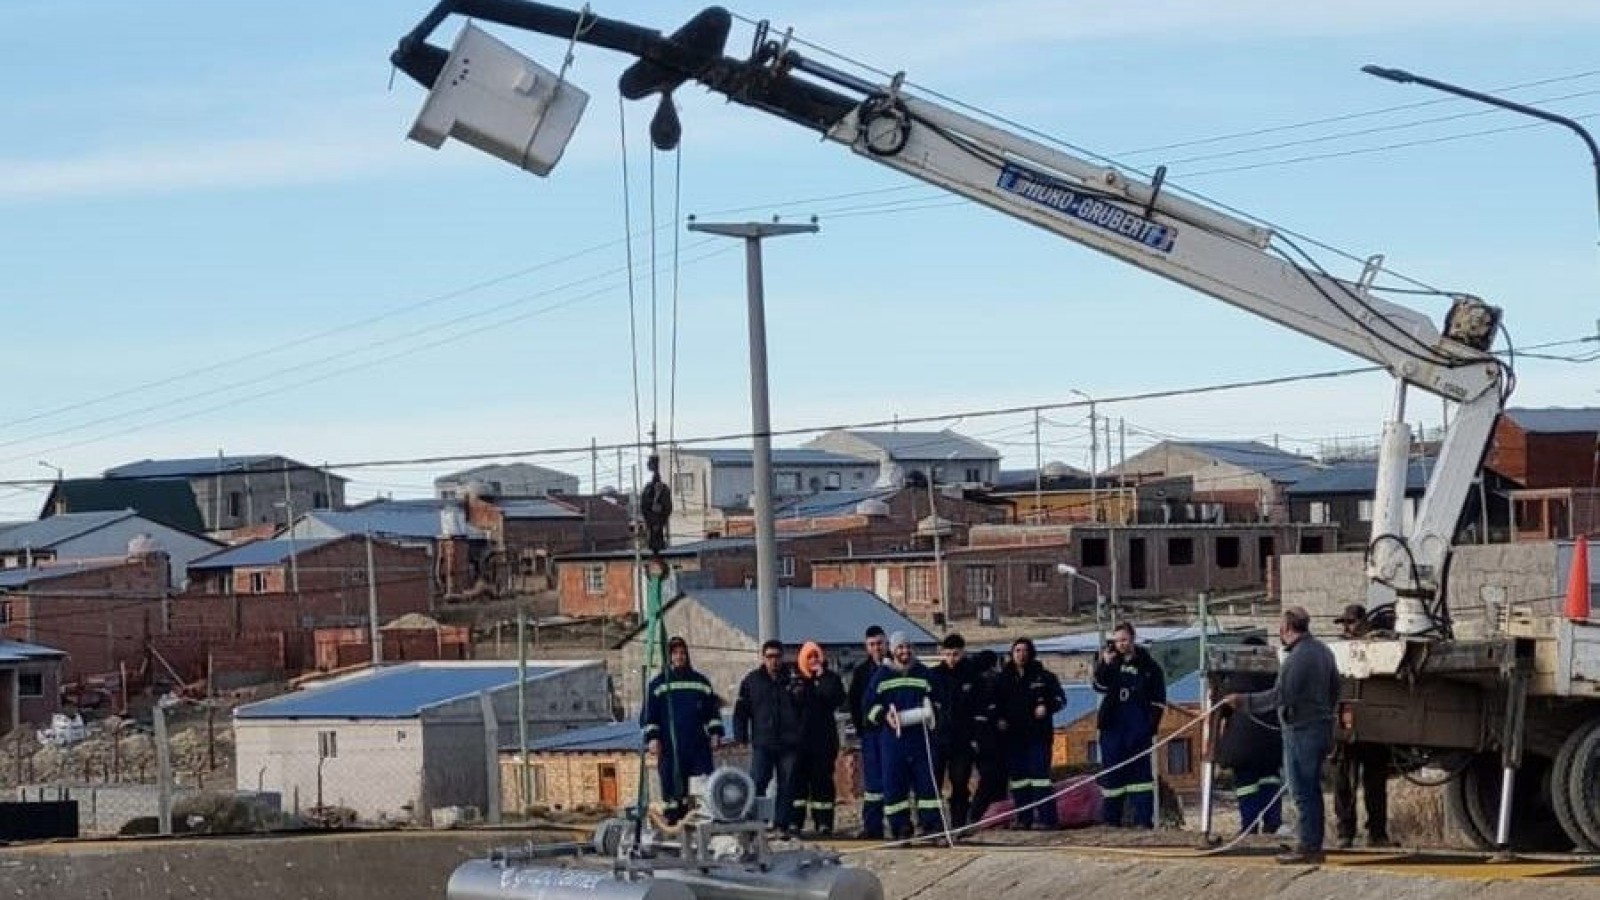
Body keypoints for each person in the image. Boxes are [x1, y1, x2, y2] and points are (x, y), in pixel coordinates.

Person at [1223, 606, 1341, 865]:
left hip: (1302, 729)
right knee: (1311, 788)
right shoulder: (1324, 652)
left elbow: (1280, 696)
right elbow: (1335, 690)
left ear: (1286, 628)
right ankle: (1310, 841)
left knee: (1302, 789)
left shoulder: (1298, 658)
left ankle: (1309, 846)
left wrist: (1243, 701)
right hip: (1320, 726)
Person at [865, 631, 943, 841]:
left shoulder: (924, 674)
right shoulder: (881, 676)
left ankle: (932, 826)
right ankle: (901, 828)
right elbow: (869, 707)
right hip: (893, 740)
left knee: (927, 785)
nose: (905, 651)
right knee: (894, 785)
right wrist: (884, 715)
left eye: (908, 646)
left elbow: (938, 700)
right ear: (892, 650)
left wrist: (933, 711)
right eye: (900, 647)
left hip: (921, 739)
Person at [1092, 621, 1167, 829]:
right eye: (1117, 641)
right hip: (1112, 728)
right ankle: (1111, 820)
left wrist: (1149, 728)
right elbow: (1099, 686)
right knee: (1112, 774)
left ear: (1132, 639)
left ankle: (1143, 820)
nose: (1120, 644)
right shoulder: (1110, 663)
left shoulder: (1150, 667)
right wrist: (1105, 665)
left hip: (1137, 728)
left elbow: (1159, 702)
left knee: (1140, 776)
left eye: (1124, 640)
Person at [641, 636, 724, 824]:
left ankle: (701, 817)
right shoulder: (659, 684)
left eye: (682, 653)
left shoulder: (701, 682)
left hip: (697, 745)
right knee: (671, 782)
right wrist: (653, 738)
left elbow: (712, 712)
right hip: (670, 745)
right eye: (675, 653)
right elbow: (649, 716)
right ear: (669, 657)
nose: (679, 657)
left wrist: (715, 733)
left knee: (702, 781)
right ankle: (672, 820)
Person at [1331, 604, 1394, 849]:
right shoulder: (1339, 651)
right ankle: (1345, 831)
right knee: (1343, 781)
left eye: (1351, 622)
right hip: (1345, 725)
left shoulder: (1379, 648)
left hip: (1374, 725)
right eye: (1344, 624)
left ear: (1364, 622)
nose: (1347, 628)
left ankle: (1377, 832)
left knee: (1375, 783)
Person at [733, 639, 805, 836]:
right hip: (763, 742)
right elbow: (741, 711)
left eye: (777, 656)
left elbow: (804, 708)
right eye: (770, 656)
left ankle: (782, 824)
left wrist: (798, 693)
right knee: (757, 783)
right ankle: (755, 825)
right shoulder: (752, 681)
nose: (774, 660)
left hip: (789, 743)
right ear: (763, 658)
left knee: (787, 785)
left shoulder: (792, 679)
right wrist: (740, 736)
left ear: (782, 657)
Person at [1214, 636, 1283, 836]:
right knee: (1270, 779)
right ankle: (1272, 823)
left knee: (1246, 784)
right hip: (1271, 740)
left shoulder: (1235, 676)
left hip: (1243, 742)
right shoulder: (1276, 674)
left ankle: (1249, 826)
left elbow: (1222, 708)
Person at [996, 636, 1065, 830]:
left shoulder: (1044, 677)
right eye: (1017, 651)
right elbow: (993, 703)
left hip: (1038, 736)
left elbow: (1060, 700)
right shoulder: (1003, 679)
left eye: (1025, 650)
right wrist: (998, 719)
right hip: (1013, 737)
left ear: (1031, 653)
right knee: (1019, 780)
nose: (1021, 655)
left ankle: (1047, 819)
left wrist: (1046, 707)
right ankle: (1023, 819)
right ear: (1011, 654)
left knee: (1040, 777)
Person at [790, 640, 846, 836]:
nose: (813, 660)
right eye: (809, 657)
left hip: (824, 741)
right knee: (797, 785)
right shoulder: (796, 680)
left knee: (822, 784)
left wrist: (821, 678)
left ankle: (824, 822)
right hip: (799, 742)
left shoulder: (831, 679)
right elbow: (795, 702)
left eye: (816, 656)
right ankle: (795, 822)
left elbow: (836, 699)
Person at [929, 633, 980, 828]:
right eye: (948, 654)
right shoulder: (933, 676)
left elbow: (979, 708)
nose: (951, 659)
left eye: (955, 654)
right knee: (933, 783)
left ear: (963, 653)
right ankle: (933, 825)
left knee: (960, 783)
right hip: (938, 739)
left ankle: (959, 824)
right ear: (942, 653)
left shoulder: (972, 676)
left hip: (962, 741)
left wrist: (975, 738)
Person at [847, 625, 891, 839]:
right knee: (873, 783)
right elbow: (854, 702)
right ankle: (873, 826)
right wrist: (861, 728)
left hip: (894, 733)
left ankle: (900, 825)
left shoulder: (895, 666)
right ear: (867, 647)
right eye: (872, 644)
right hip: (872, 734)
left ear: (886, 643)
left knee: (895, 778)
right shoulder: (862, 672)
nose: (876, 648)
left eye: (879, 644)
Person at [965, 649, 1010, 827]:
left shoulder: (987, 683)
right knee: (990, 778)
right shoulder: (980, 685)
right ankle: (977, 814)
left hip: (995, 738)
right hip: (985, 739)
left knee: (998, 778)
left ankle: (997, 816)